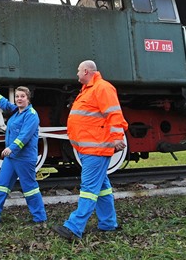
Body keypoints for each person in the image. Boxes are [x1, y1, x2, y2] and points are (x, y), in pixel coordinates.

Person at [52, 60, 128, 240]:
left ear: (86, 71)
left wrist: (117, 137)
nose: (77, 75)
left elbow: (114, 114)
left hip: (96, 149)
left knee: (88, 189)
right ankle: (108, 224)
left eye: (78, 71)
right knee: (102, 188)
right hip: (89, 148)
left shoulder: (102, 88)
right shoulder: (88, 89)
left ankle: (73, 227)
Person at [0, 79, 47, 225]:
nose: (19, 99)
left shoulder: (32, 115)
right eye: (17, 96)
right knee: (1, 185)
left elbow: (24, 136)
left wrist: (11, 148)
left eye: (22, 96)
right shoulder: (16, 111)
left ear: (28, 98)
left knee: (30, 189)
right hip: (11, 158)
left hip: (24, 158)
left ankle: (40, 218)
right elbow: (3, 102)